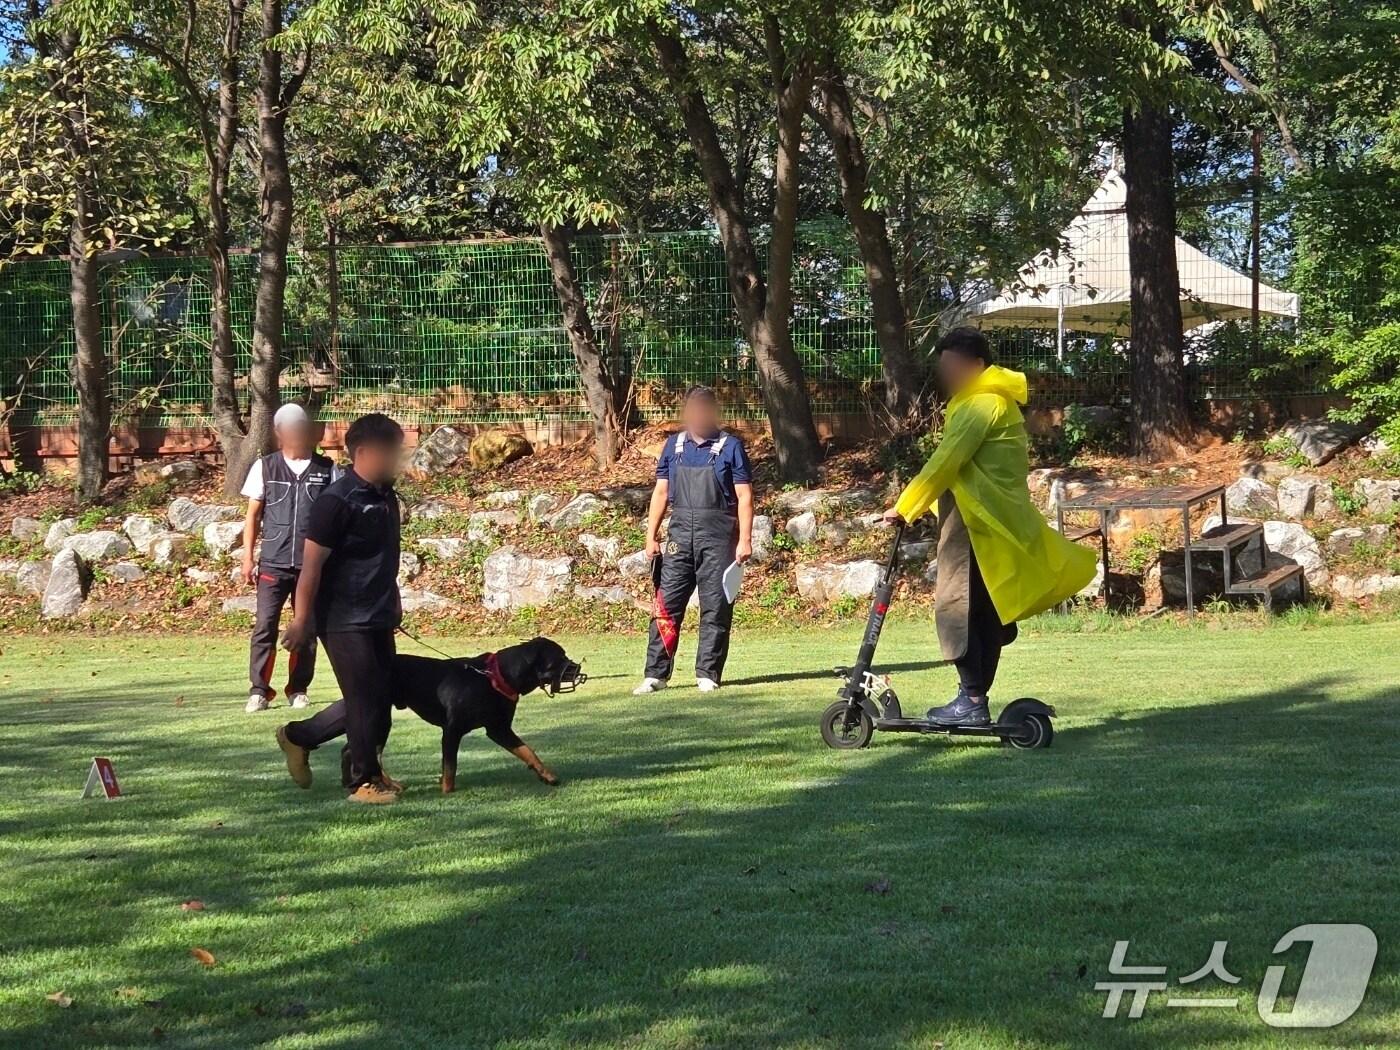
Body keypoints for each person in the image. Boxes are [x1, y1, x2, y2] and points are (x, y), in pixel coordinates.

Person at [884, 327, 1096, 726]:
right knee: (985, 612)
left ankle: (972, 700)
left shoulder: (980, 404)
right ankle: (974, 700)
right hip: (992, 521)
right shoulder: (995, 401)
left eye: (952, 366)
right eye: (942, 366)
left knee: (957, 608)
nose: (945, 374)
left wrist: (905, 507)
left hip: (974, 523)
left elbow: (948, 460)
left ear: (977, 365)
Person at [277, 413, 406, 805]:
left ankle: (301, 737)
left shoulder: (386, 497)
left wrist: (394, 601)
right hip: (342, 617)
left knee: (379, 695)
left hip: (379, 612)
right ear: (365, 453)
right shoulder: (336, 502)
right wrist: (302, 621)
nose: (399, 460)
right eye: (393, 452)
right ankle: (362, 782)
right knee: (365, 698)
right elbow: (311, 566)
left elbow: (384, 559)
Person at [634, 385, 754, 695]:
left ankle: (707, 673)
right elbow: (660, 493)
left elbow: (744, 497)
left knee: (715, 606)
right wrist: (651, 536)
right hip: (678, 538)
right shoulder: (673, 446)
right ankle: (655, 674)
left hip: (718, 537)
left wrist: (745, 540)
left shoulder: (731, 447)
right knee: (666, 605)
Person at [240, 402, 337, 713]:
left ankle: (298, 688)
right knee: (264, 627)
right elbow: (252, 517)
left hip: (313, 566)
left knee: (305, 627)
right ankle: (259, 690)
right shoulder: (265, 467)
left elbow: (338, 518)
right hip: (273, 562)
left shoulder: (328, 469)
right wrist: (247, 558)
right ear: (280, 432)